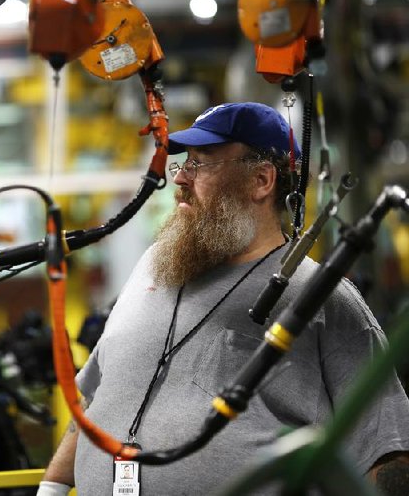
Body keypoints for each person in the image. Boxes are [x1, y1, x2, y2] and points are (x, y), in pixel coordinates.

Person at [37, 102, 409, 495]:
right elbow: (96, 397)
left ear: (261, 180)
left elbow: (385, 448)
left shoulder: (321, 298)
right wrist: (52, 488)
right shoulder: (152, 268)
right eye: (184, 163)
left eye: (203, 163)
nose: (180, 179)